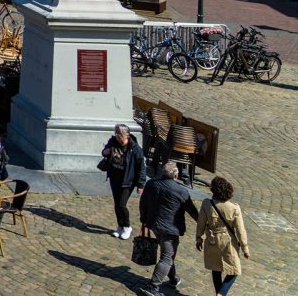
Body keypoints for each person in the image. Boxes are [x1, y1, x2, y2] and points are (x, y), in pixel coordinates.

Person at [140, 161, 196, 295]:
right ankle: (153, 286)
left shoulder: (151, 183)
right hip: (170, 229)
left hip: (154, 224)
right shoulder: (181, 190)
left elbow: (143, 202)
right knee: (167, 258)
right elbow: (192, 211)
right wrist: (204, 223)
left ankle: (172, 278)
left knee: (167, 254)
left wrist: (143, 219)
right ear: (176, 176)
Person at [197, 175, 252, 296]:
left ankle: (219, 293)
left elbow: (201, 223)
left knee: (216, 268)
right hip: (228, 242)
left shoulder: (207, 204)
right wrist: (245, 248)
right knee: (235, 270)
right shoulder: (234, 208)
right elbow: (240, 230)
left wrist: (198, 238)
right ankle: (221, 293)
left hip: (211, 240)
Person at [102, 123, 147, 239]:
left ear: (126, 135)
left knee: (122, 204)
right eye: (116, 134)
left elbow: (141, 168)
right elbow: (104, 152)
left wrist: (141, 185)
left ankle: (127, 226)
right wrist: (106, 151)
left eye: (119, 135)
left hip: (128, 181)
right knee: (117, 204)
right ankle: (120, 226)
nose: (117, 137)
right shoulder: (113, 142)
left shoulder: (135, 149)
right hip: (114, 178)